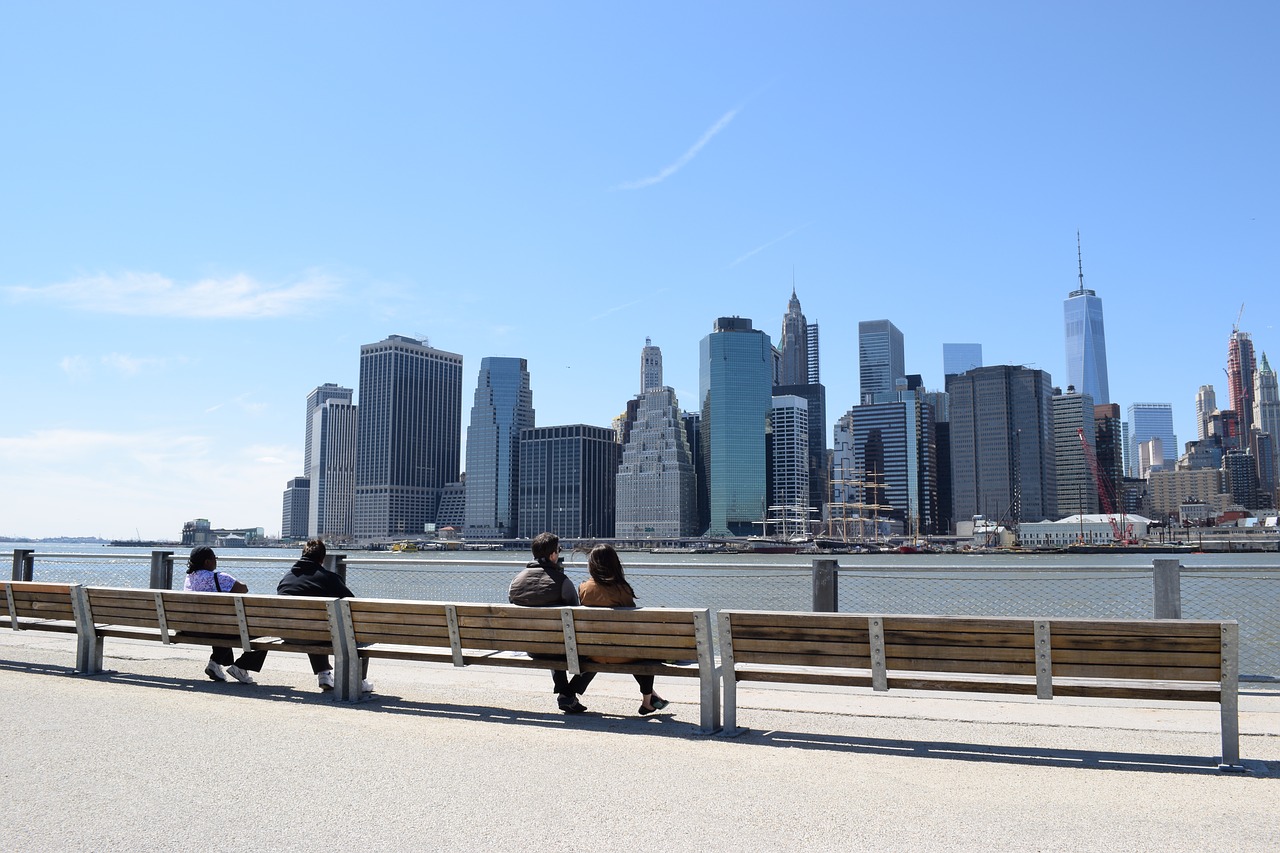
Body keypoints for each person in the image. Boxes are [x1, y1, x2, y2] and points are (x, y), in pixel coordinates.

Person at [578, 543, 671, 715]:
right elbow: (631, 624)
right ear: (615, 564)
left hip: (593, 652)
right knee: (645, 653)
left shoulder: (584, 588)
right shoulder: (622, 590)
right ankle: (647, 700)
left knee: (618, 648)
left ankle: (569, 692)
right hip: (622, 654)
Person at [508, 532, 595, 714]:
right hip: (557, 646)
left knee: (550, 639)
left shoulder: (516, 580)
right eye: (559, 550)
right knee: (593, 652)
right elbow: (576, 618)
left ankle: (566, 694)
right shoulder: (563, 582)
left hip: (530, 645)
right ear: (553, 555)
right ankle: (567, 693)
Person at [276, 538, 372, 694]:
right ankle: (359, 681)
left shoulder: (287, 578)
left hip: (287, 634)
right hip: (315, 635)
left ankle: (324, 675)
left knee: (309, 625)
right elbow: (354, 606)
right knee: (356, 631)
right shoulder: (328, 578)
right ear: (322, 558)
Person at [183, 545, 267, 685]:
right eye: (214, 558)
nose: (216, 561)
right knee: (264, 634)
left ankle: (215, 664)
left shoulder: (189, 579)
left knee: (221, 623)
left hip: (192, 629)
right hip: (217, 629)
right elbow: (243, 589)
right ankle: (241, 666)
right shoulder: (219, 578)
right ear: (207, 562)